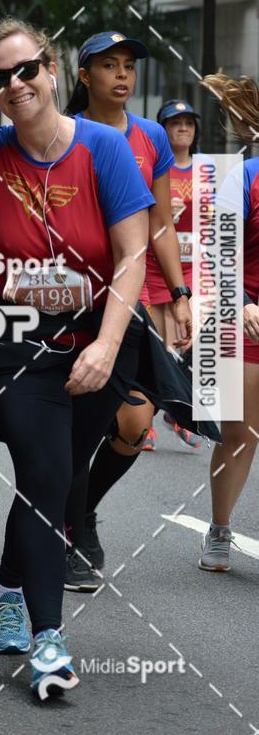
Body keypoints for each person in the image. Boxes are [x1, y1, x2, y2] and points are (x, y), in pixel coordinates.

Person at [0, 17, 153, 698]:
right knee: (44, 474)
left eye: (26, 69)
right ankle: (48, 639)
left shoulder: (103, 147)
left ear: (52, 69)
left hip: (100, 338)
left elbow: (132, 255)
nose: (16, 84)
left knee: (60, 479)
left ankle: (8, 587)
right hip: (19, 342)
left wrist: (107, 345)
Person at [62, 31, 193, 590]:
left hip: (129, 299)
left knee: (136, 423)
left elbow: (160, 223)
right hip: (71, 299)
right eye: (109, 65)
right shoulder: (63, 131)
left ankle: (82, 510)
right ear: (84, 75)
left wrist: (181, 294)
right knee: (74, 429)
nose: (122, 75)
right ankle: (69, 535)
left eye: (128, 66)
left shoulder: (150, 137)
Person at [197, 73, 259, 572]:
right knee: (241, 434)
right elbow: (218, 252)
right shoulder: (242, 177)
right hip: (245, 319)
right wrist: (240, 303)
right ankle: (219, 528)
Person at [147, 100, 203, 449]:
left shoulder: (209, 170)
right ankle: (145, 420)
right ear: (162, 129)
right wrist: (162, 210)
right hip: (155, 268)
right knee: (159, 347)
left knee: (192, 341)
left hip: (195, 269)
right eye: (175, 123)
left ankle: (176, 410)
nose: (183, 128)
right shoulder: (154, 168)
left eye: (188, 123)